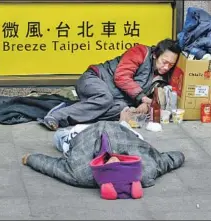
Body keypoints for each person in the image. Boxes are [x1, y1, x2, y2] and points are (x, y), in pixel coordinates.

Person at [22, 109, 185, 198]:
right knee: (126, 123)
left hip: (82, 134)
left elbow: (53, 166)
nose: (114, 161)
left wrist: (30, 159)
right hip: (121, 132)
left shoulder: (82, 173)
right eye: (121, 165)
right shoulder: (145, 169)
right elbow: (167, 161)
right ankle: (123, 119)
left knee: (59, 137)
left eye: (111, 168)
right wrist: (181, 155)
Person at [42, 38, 181, 130]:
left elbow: (146, 97)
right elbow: (122, 77)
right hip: (94, 79)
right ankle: (56, 115)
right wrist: (143, 98)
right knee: (104, 98)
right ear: (156, 55)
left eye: (171, 64)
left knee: (122, 109)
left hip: (114, 99)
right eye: (165, 61)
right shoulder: (141, 52)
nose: (167, 67)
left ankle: (75, 109)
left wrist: (143, 104)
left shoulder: (160, 78)